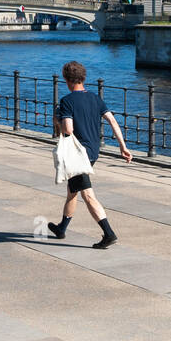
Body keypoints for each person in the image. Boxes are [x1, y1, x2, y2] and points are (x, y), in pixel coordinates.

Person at [48, 60, 132, 248]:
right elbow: (112, 121)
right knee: (73, 191)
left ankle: (109, 233)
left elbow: (68, 130)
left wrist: (57, 120)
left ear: (66, 79)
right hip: (93, 151)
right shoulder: (95, 98)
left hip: (78, 155)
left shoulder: (67, 101)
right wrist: (122, 147)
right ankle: (62, 228)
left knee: (87, 195)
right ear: (83, 78)